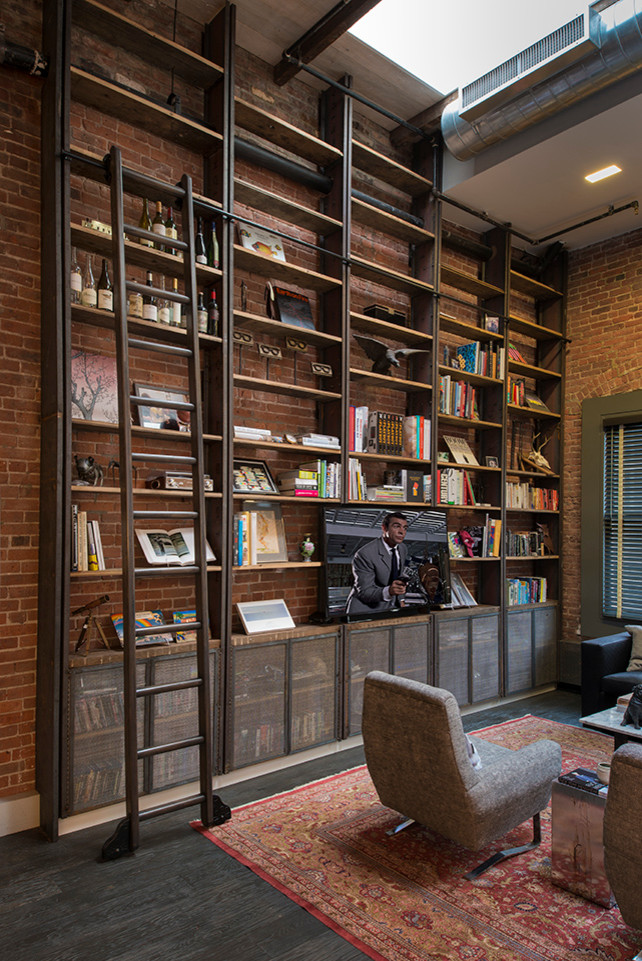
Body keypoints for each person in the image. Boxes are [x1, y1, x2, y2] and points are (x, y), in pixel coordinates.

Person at [345, 512, 409, 616]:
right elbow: (365, 592)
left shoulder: (402, 549)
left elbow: (399, 578)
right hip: (364, 610)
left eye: (405, 528)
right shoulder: (364, 554)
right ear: (384, 528)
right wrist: (389, 591)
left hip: (390, 608)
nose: (402, 532)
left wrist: (401, 600)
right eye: (396, 526)